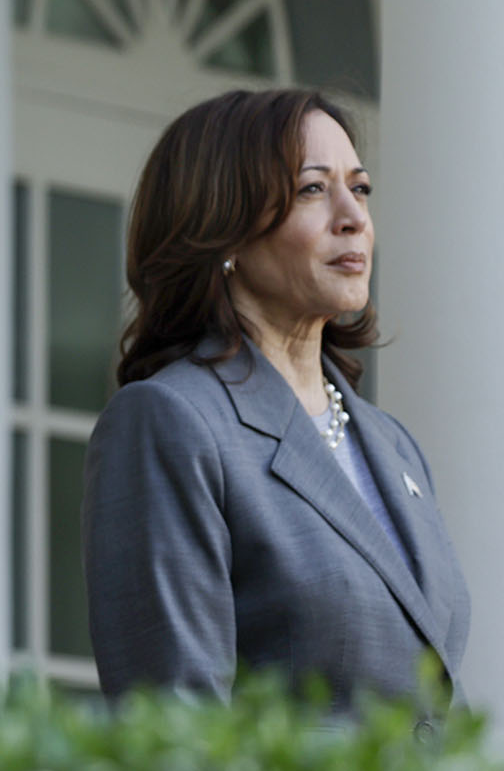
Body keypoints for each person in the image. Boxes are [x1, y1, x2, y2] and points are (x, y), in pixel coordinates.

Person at [83, 88, 469, 716]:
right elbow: (177, 730)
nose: (354, 217)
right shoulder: (171, 421)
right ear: (222, 227)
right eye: (313, 190)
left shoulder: (395, 445)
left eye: (361, 188)